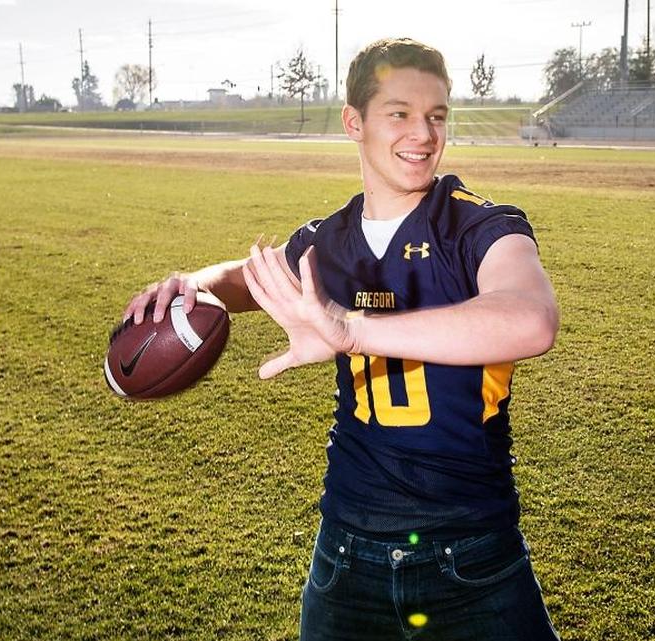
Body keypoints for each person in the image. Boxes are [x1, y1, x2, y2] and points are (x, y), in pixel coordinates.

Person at [123, 37, 561, 640]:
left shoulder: (481, 225)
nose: (424, 134)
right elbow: (243, 279)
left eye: (436, 116)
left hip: (472, 557)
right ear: (354, 122)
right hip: (346, 555)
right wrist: (186, 286)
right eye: (400, 114)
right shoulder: (327, 242)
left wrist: (349, 329)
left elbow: (530, 318)